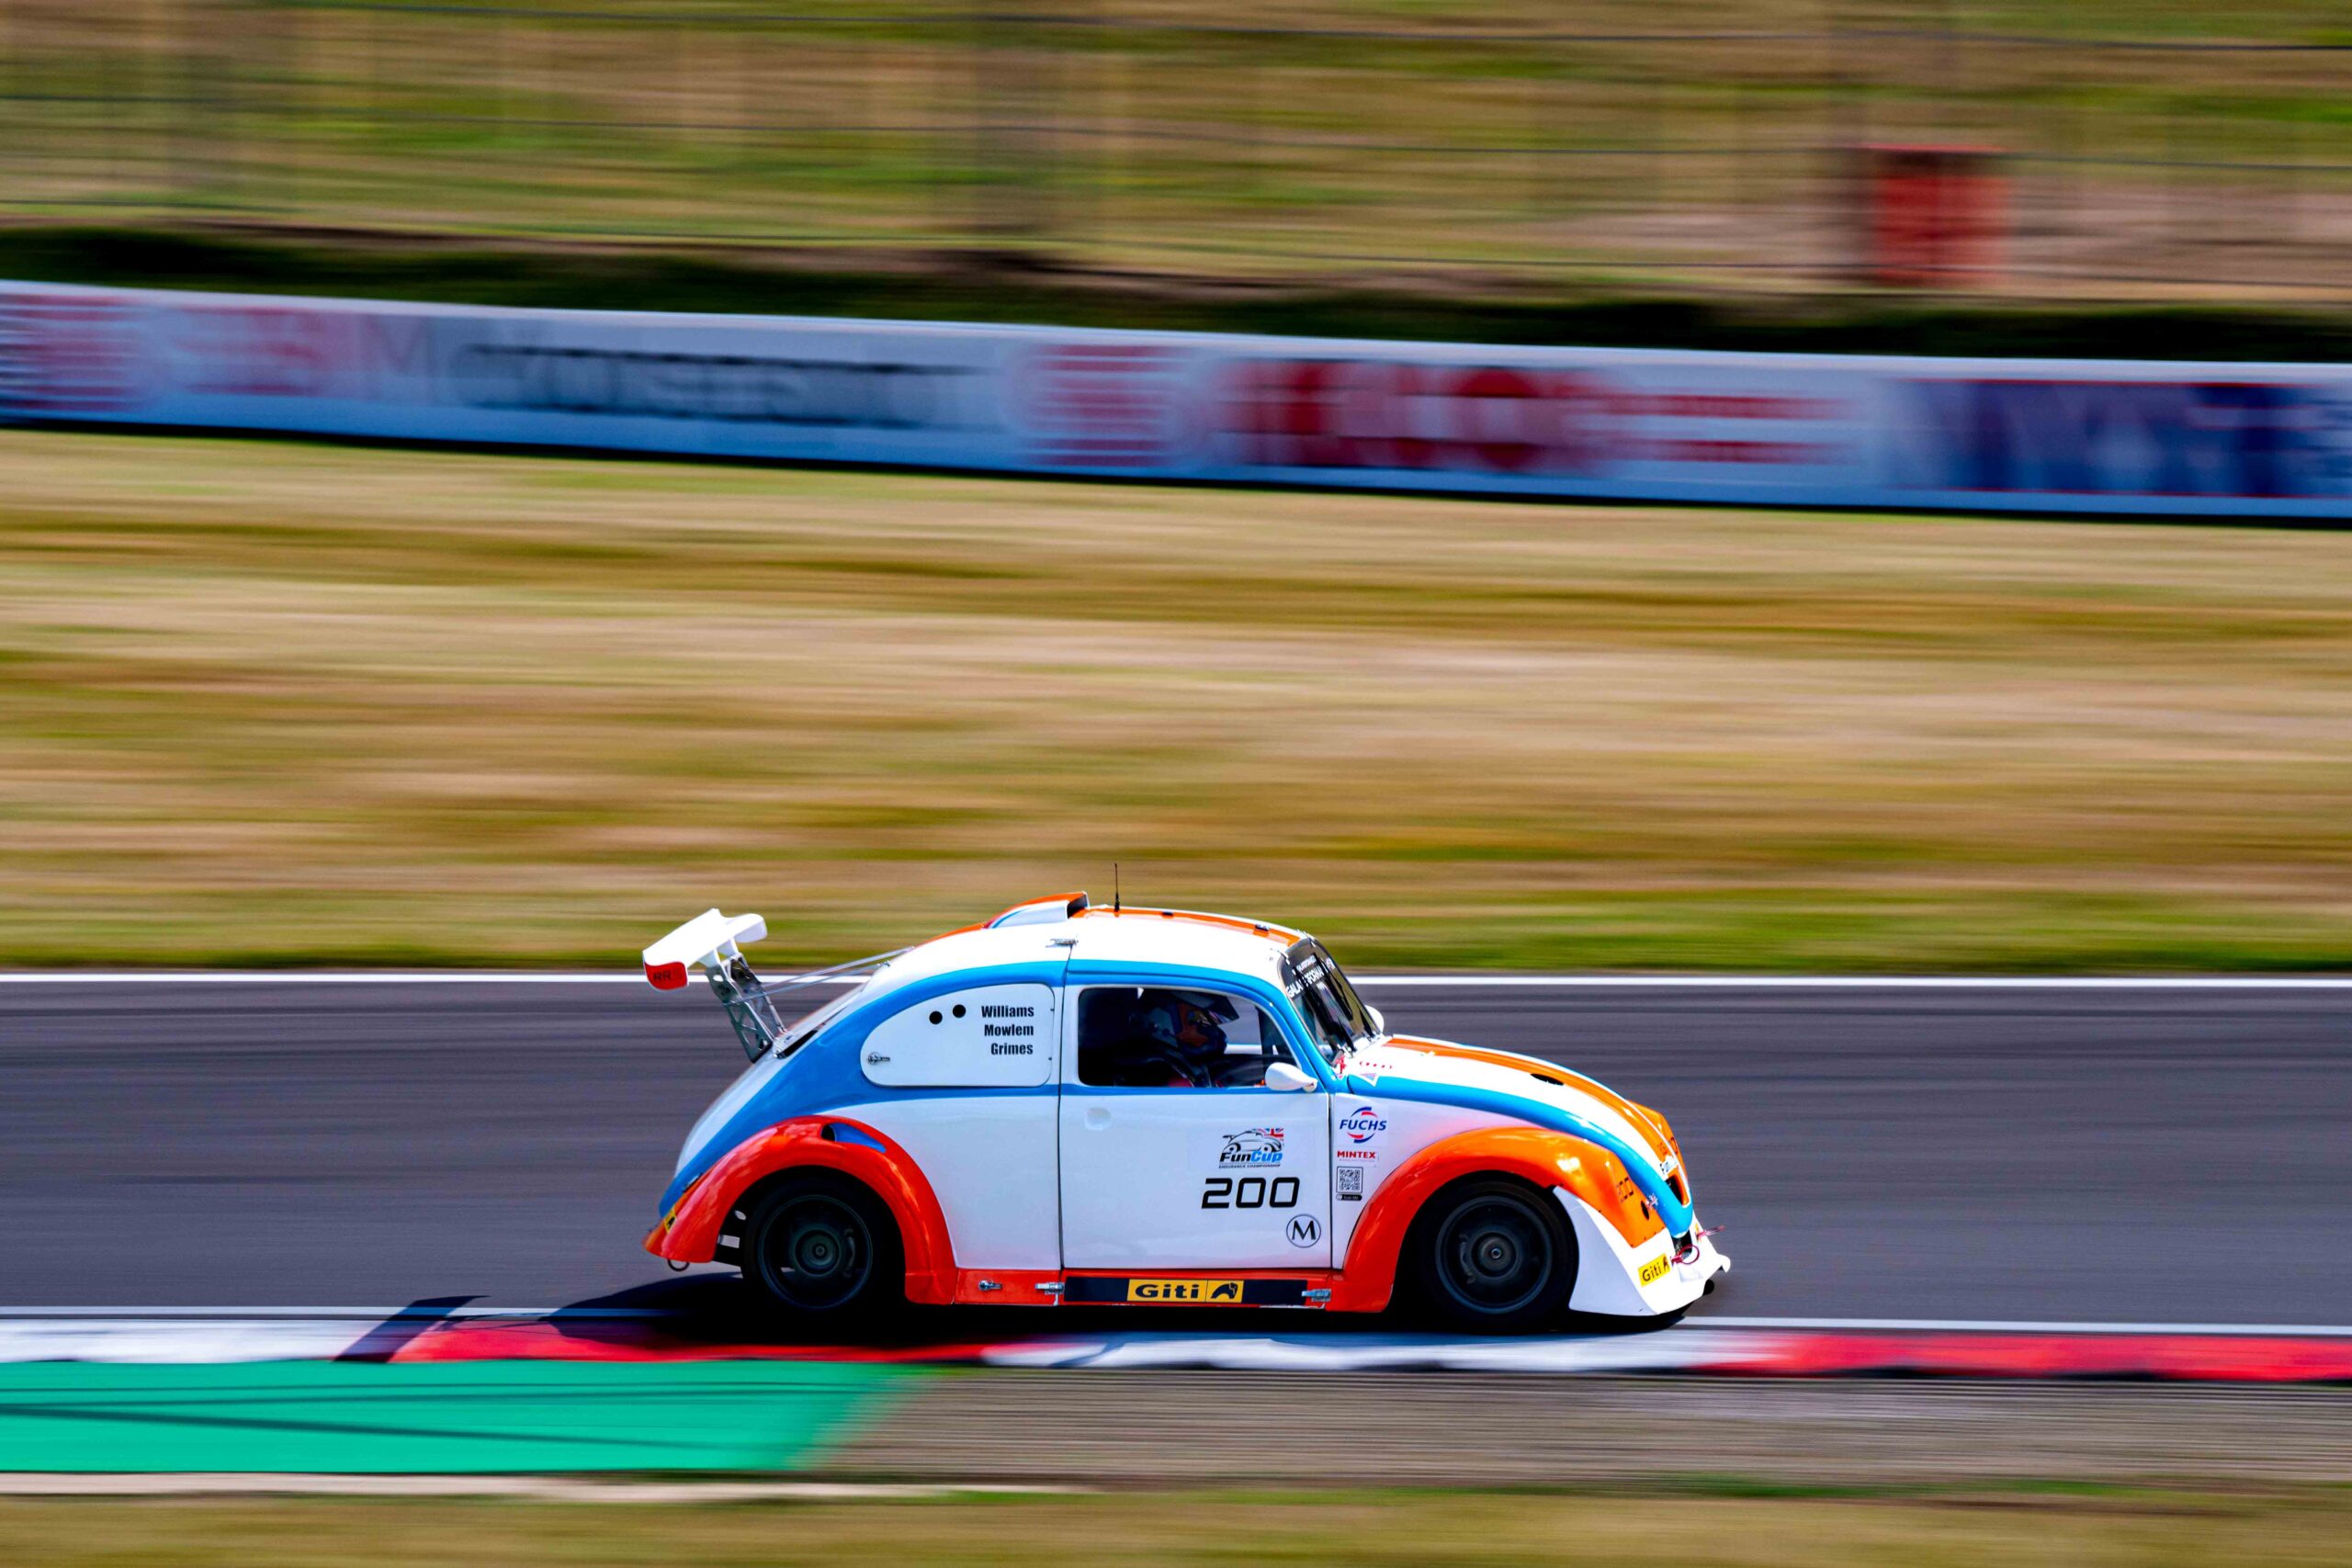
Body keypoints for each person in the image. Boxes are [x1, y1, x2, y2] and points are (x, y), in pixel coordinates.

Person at [1091, 988, 1242, 1088]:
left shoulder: (1177, 1061)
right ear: (1162, 1020)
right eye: (1199, 1020)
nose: (1211, 1031)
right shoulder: (1151, 1072)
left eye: (1211, 1022)